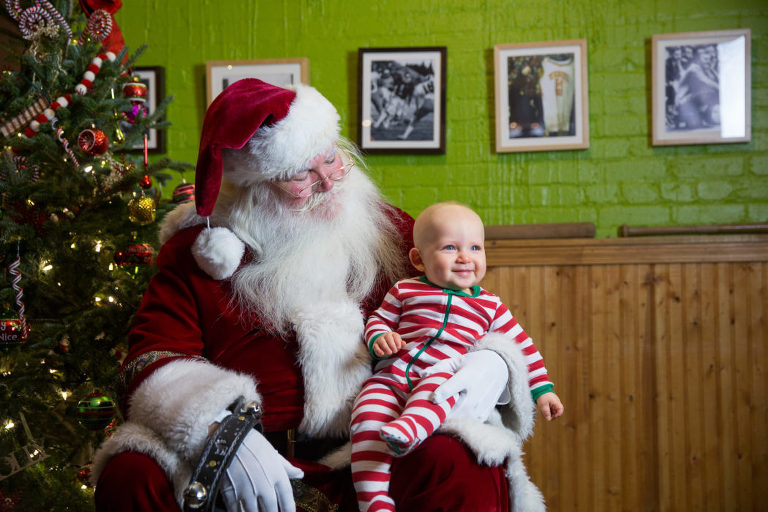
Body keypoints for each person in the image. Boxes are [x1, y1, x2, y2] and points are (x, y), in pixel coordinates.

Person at [91, 78, 546, 512]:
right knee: (132, 473)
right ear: (253, 187)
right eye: (300, 175)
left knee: (460, 459)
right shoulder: (197, 251)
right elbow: (152, 358)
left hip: (368, 449)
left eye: (330, 159)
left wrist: (493, 363)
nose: (329, 181)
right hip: (246, 458)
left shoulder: (390, 230)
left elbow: (471, 309)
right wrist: (220, 433)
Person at [350, 202, 564, 511]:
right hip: (391, 377)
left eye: (475, 247)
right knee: (366, 419)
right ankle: (374, 502)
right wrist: (380, 338)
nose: (466, 257)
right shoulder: (404, 291)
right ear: (418, 259)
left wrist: (543, 390)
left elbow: (523, 349)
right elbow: (378, 320)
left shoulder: (490, 306)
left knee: (440, 390)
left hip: (442, 375)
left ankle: (410, 428)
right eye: (451, 247)